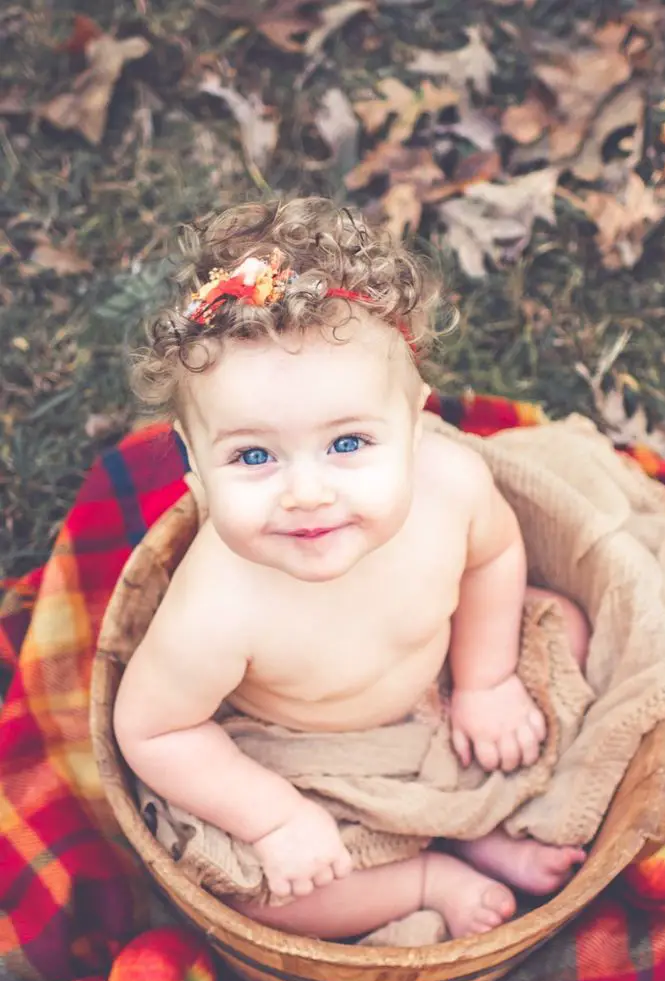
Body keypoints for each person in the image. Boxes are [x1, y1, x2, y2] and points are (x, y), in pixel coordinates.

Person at [114, 196, 589, 941]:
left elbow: (493, 557)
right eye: (253, 456)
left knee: (569, 630)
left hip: (444, 703)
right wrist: (275, 816)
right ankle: (424, 873)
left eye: (346, 444)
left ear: (414, 421)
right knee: (260, 891)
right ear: (192, 462)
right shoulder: (216, 604)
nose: (306, 492)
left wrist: (485, 680)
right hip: (308, 761)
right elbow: (153, 732)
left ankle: (468, 819)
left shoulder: (451, 484)